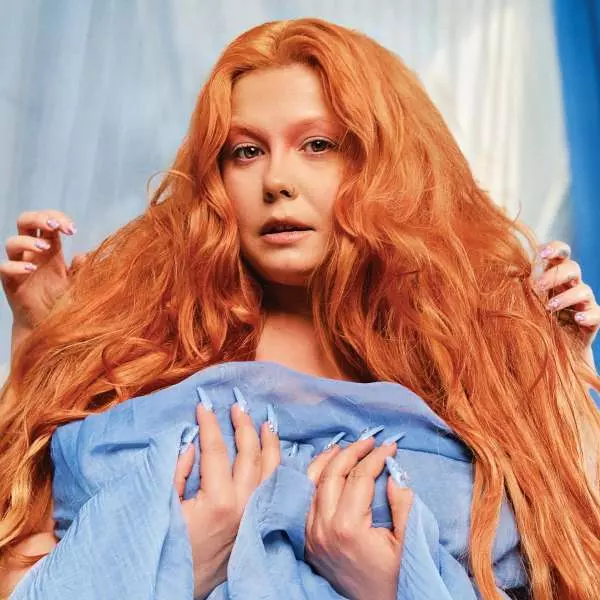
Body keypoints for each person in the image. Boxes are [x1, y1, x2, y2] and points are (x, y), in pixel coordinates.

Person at [1, 17, 599, 600]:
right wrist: (42, 341)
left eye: (317, 146)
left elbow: (576, 560)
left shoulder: (474, 357)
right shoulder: (141, 344)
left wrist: (562, 379)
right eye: (245, 151)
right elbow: (17, 557)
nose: (276, 181)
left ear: (389, 164)